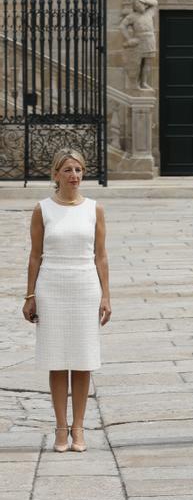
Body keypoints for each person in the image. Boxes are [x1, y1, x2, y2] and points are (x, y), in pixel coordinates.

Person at [22, 149, 111, 453]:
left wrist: (106, 295)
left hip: (85, 285)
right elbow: (35, 255)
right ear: (56, 174)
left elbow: (101, 255)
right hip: (52, 285)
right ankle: (61, 427)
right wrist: (30, 294)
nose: (75, 175)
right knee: (57, 359)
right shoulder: (43, 209)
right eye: (68, 170)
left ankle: (79, 427)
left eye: (79, 170)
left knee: (83, 360)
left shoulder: (94, 209)